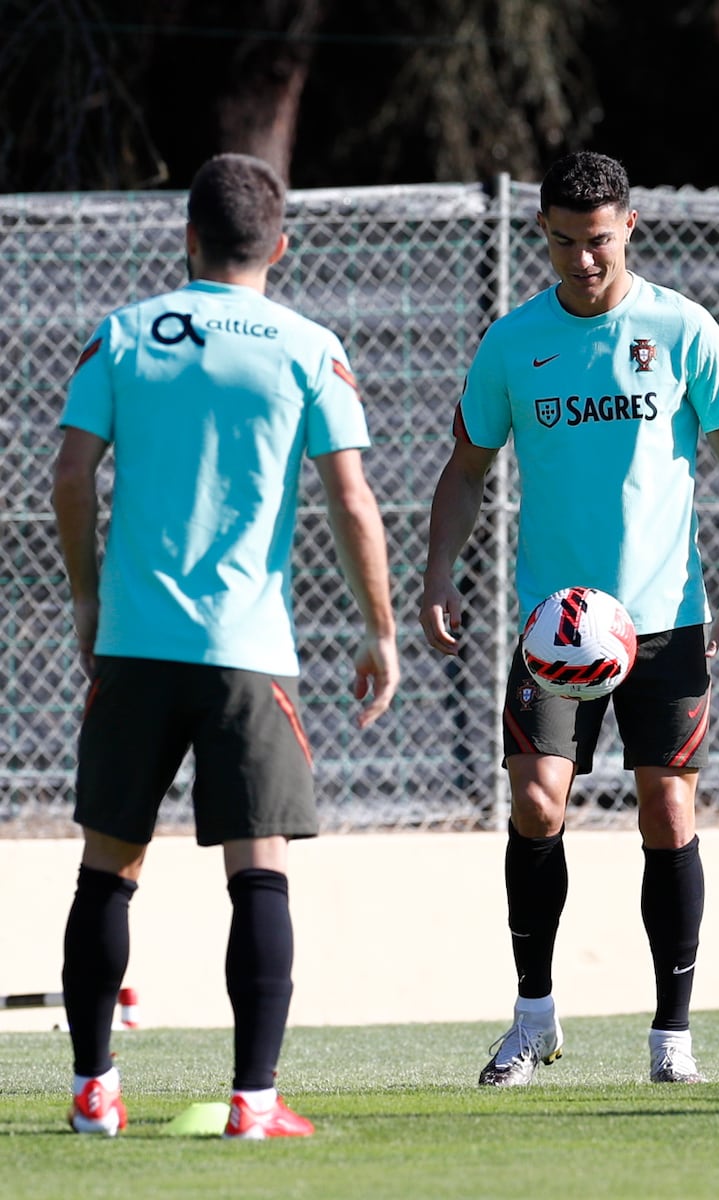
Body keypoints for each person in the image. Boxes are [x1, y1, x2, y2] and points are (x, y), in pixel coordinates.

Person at [52, 152, 400, 1138]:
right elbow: (351, 498)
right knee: (258, 867)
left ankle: (92, 1093)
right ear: (278, 245)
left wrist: (88, 601)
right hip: (247, 650)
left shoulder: (122, 335)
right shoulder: (306, 345)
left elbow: (70, 476)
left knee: (107, 868)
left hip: (134, 646)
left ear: (188, 237)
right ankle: (254, 1100)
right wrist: (379, 630)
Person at [419, 151, 719, 1087]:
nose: (583, 262)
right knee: (536, 804)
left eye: (600, 242)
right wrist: (438, 573)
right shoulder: (512, 344)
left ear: (632, 228)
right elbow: (465, 470)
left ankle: (672, 1038)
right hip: (556, 631)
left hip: (664, 624)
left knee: (668, 812)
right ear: (544, 233)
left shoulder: (682, 329)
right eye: (567, 243)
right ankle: (533, 1018)